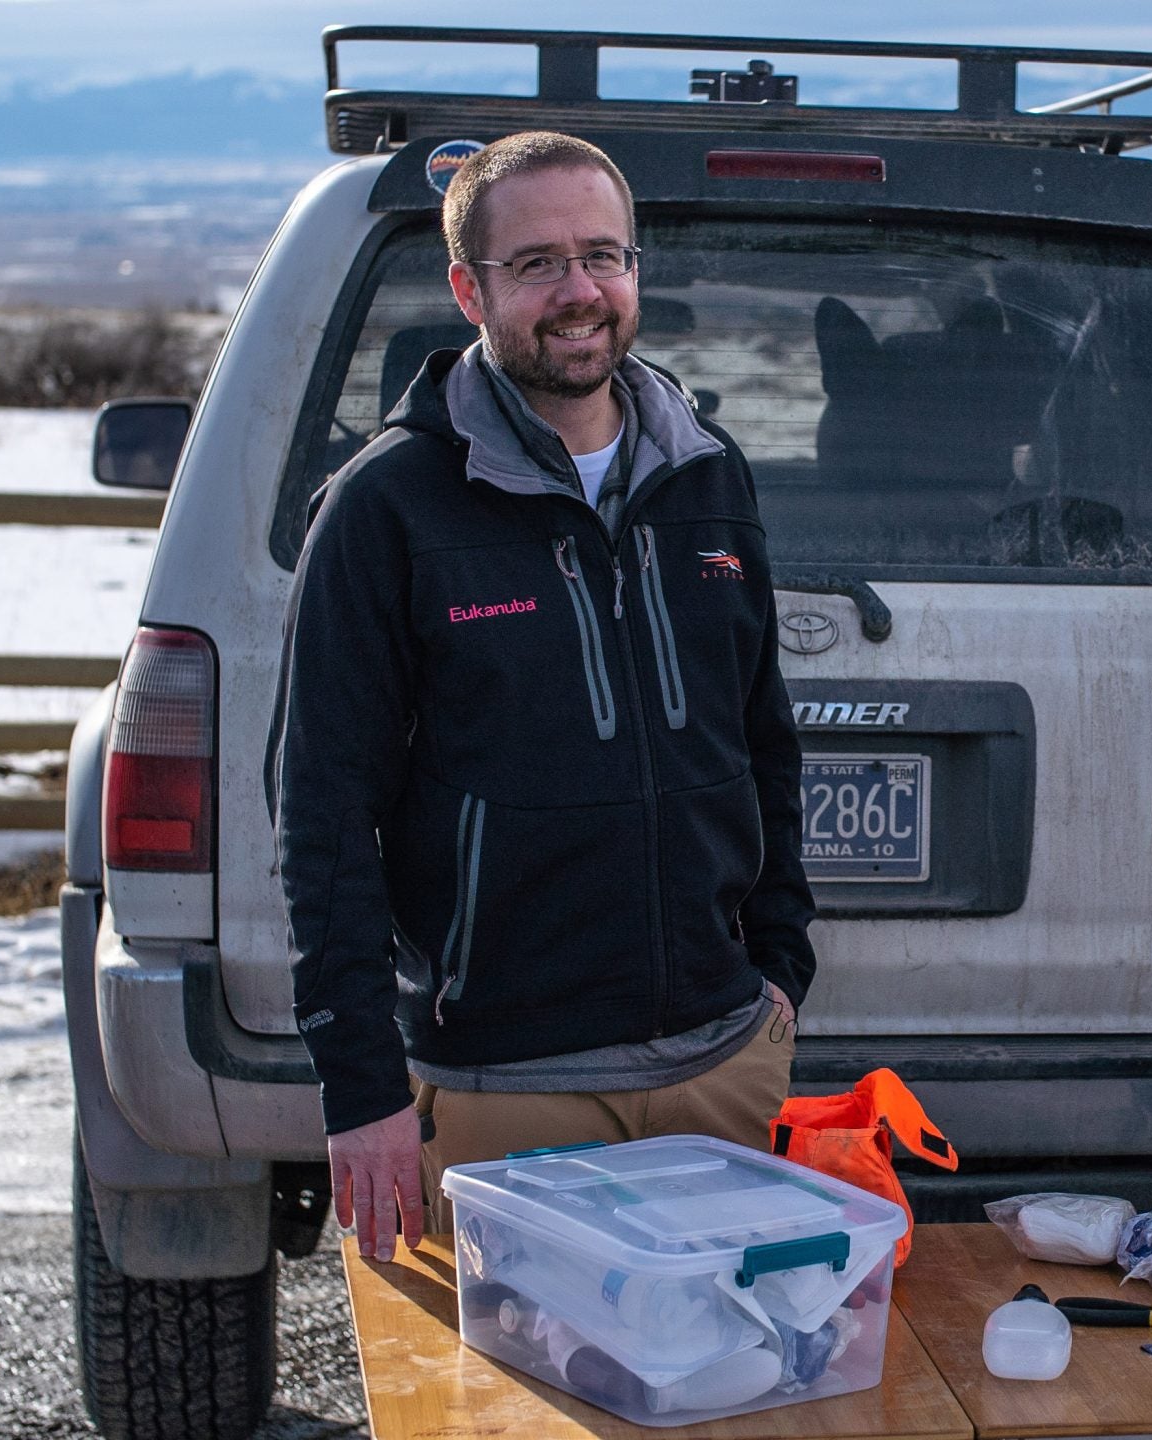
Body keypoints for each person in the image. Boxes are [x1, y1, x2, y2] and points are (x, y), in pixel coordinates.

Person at [278, 131, 815, 1262]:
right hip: (500, 1088)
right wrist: (359, 1088)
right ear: (468, 288)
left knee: (730, 1390)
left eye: (603, 256)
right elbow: (323, 814)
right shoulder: (388, 507)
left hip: (722, 1065)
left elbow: (763, 739)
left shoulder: (705, 473)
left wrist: (778, 968)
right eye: (535, 265)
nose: (580, 293)